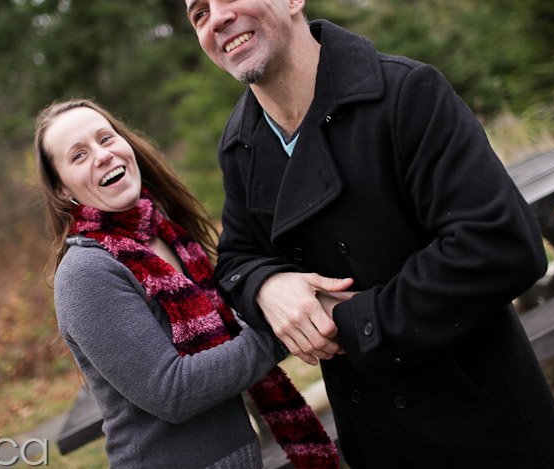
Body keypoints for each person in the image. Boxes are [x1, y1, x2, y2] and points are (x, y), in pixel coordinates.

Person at [182, 0, 554, 468]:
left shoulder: (407, 93)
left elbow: (501, 244)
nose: (218, 19)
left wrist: (350, 324)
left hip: (481, 422)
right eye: (199, 13)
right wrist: (269, 285)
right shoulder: (242, 142)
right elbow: (236, 260)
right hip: (376, 438)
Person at [33, 98, 339, 468]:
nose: (102, 155)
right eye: (78, 156)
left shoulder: (164, 231)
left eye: (106, 138)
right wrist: (285, 325)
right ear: (62, 190)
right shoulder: (86, 273)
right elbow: (173, 391)